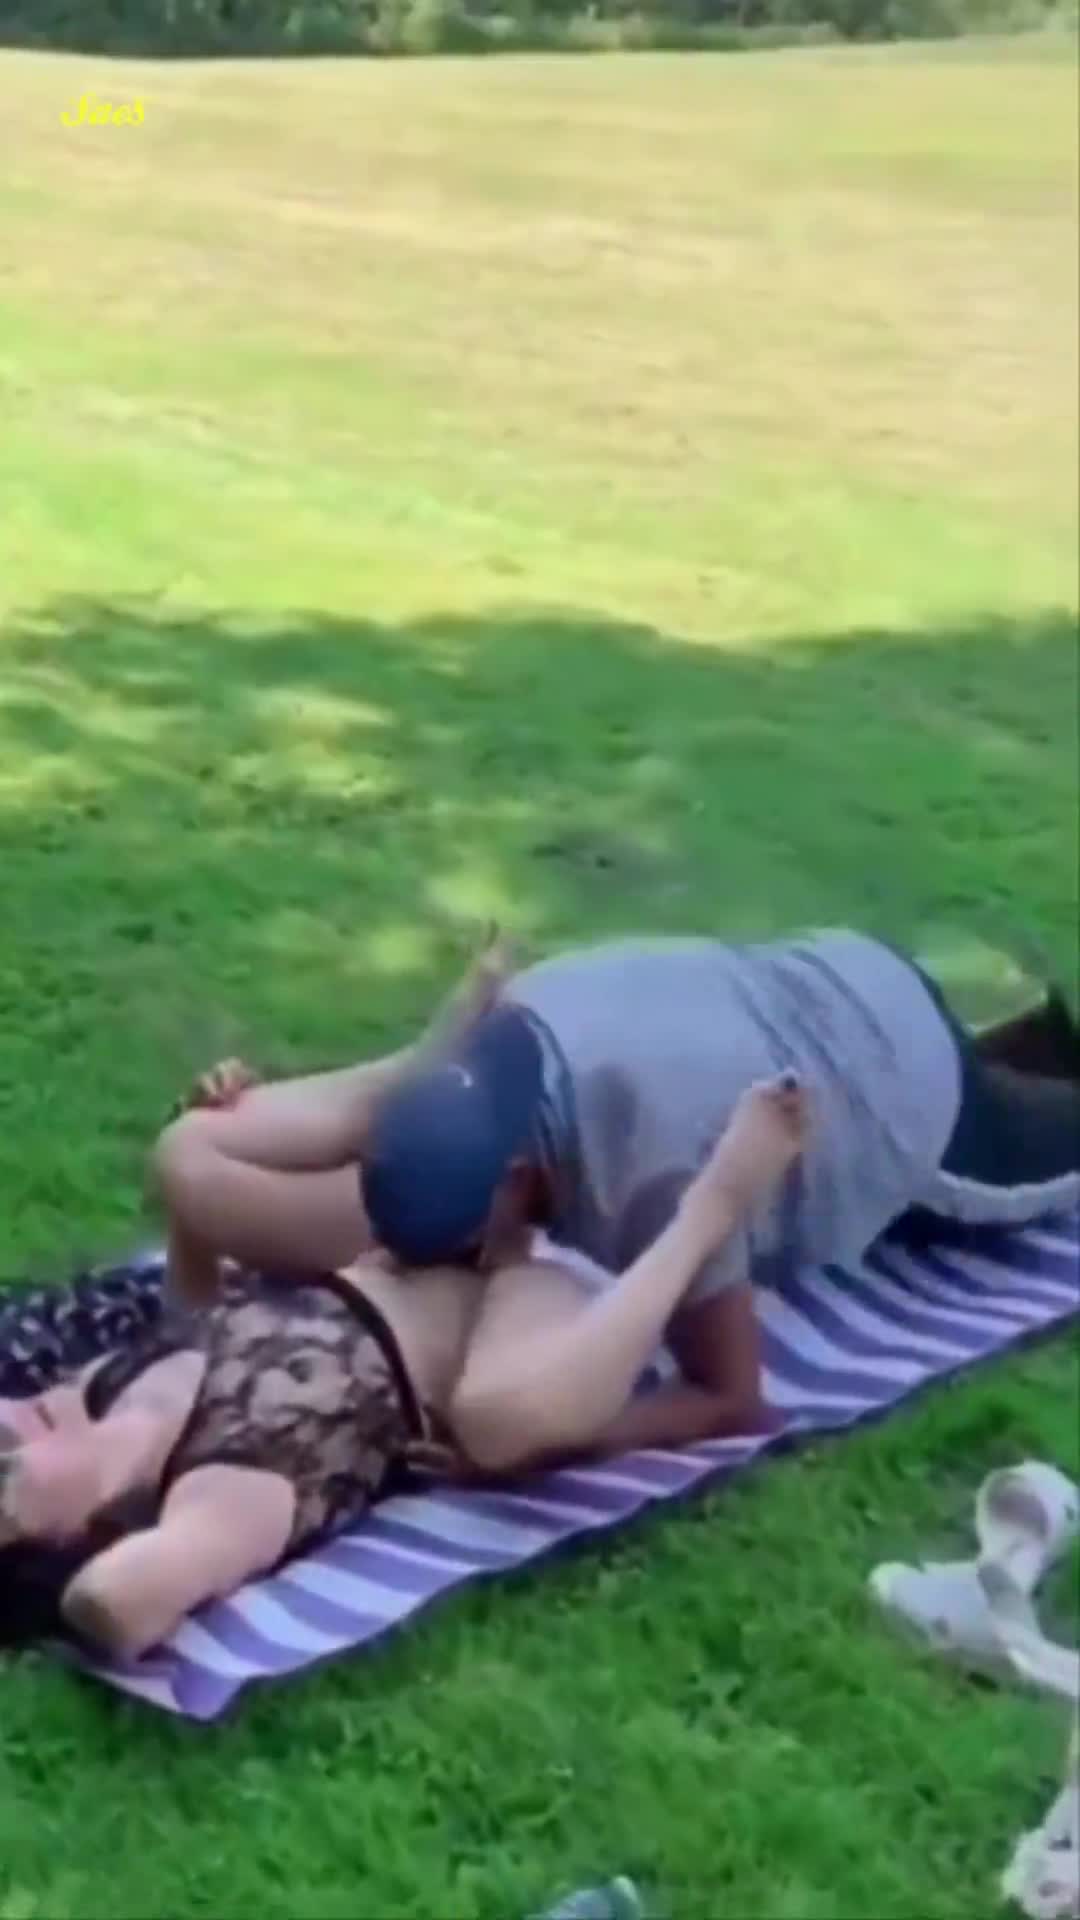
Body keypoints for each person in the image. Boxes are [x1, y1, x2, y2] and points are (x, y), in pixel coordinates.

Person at [153, 927, 1080, 1465]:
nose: (470, 1265)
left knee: (1049, 1150)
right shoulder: (503, 1034)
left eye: (468, 1246)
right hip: (833, 973)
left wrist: (539, 1457)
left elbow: (731, 1398)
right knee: (1022, 1078)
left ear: (520, 1183)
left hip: (904, 1085)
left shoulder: (654, 1172)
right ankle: (1030, 1050)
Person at [0, 1075, 806, 1658]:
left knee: (185, 1156)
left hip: (388, 1243)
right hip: (502, 1309)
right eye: (6, 1468)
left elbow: (194, 1305)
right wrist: (75, 1595)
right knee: (500, 1423)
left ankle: (435, 1058)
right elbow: (118, 1604)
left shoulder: (103, 1389)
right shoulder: (227, 1492)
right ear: (75, 1537)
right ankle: (713, 1210)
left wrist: (219, 1143)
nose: (9, 1419)